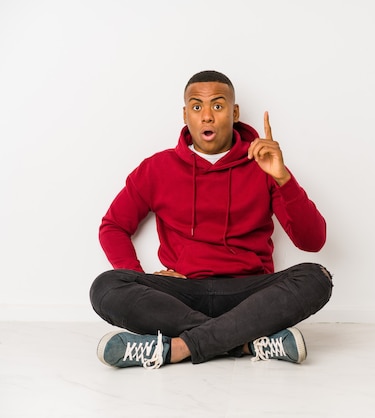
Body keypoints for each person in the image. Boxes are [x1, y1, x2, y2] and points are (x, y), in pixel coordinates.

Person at [90, 70, 333, 369]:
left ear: (234, 112)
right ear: (185, 115)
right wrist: (141, 278)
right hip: (182, 293)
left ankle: (176, 349)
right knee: (106, 287)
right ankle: (246, 342)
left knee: (316, 278)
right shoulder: (157, 168)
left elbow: (313, 242)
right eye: (196, 107)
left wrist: (283, 178)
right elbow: (113, 226)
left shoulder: (263, 166)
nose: (206, 116)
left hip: (248, 293)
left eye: (217, 106)